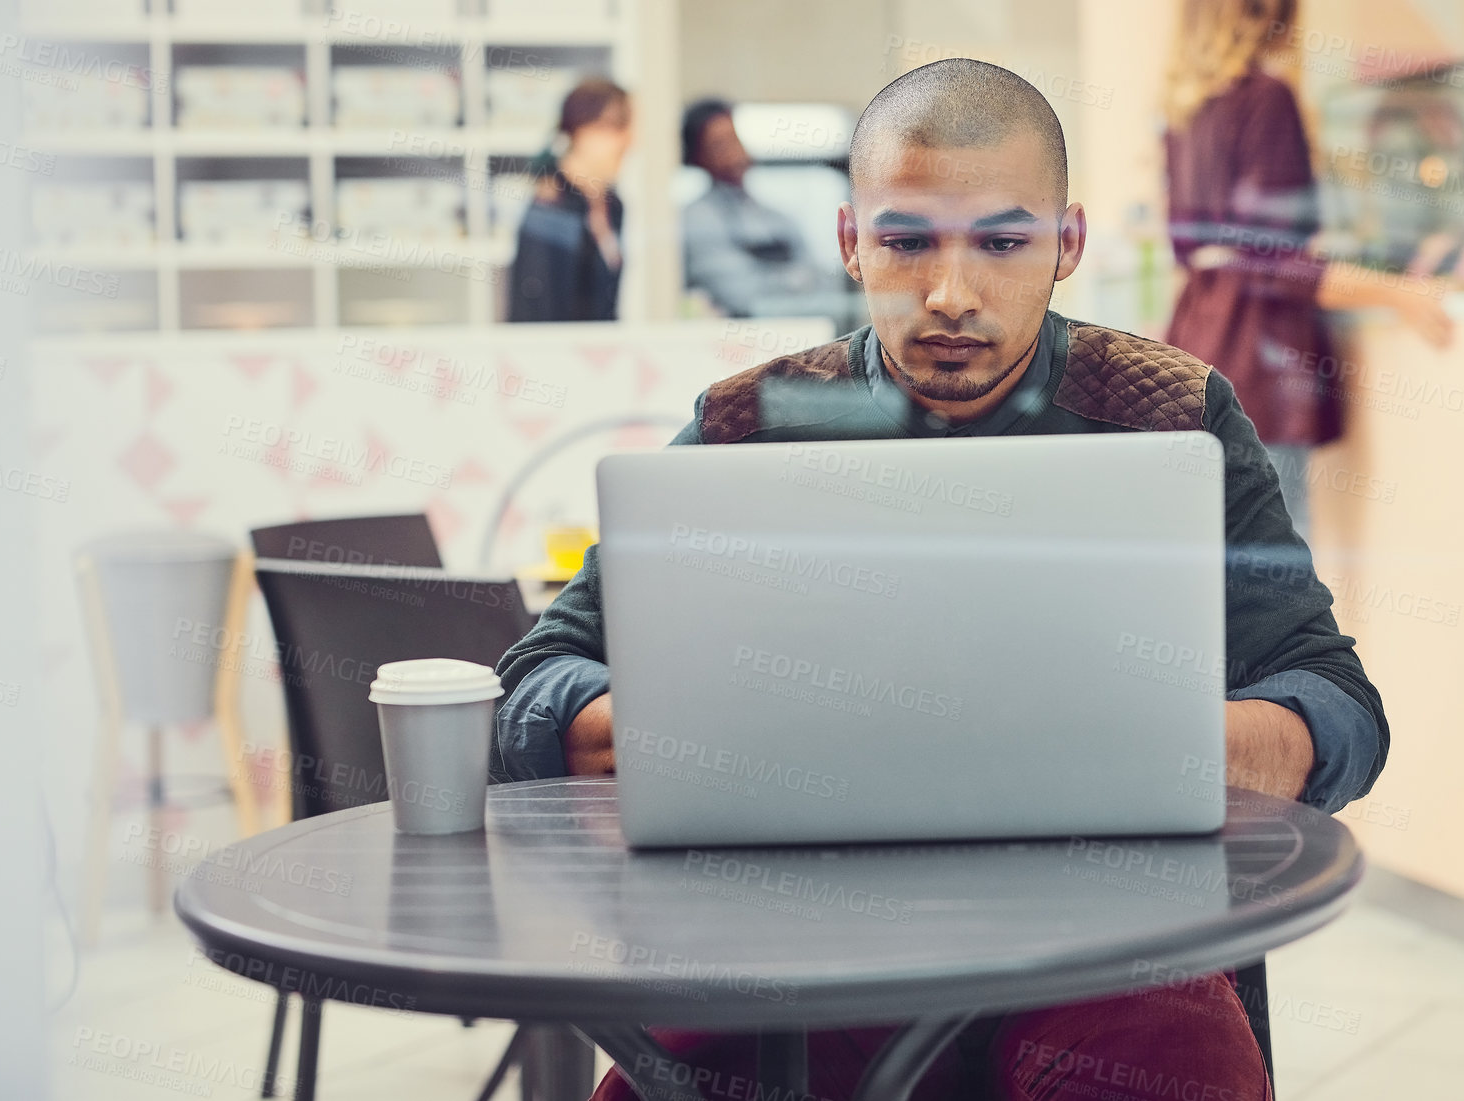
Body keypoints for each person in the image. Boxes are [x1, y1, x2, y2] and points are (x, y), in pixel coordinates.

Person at [494, 58, 1389, 1101]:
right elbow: (533, 681)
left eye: (1003, 242)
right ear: (849, 242)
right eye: (905, 241)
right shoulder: (753, 422)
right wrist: (661, 727)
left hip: (1109, 942)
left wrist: (1182, 746)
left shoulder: (1174, 413)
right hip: (799, 943)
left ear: (1067, 244)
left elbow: (1341, 709)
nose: (949, 294)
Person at [1162, 0, 1453, 539]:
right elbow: (1273, 262)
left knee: (1217, 561)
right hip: (1259, 361)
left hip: (1196, 347)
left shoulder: (1185, 111)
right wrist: (1396, 292)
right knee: (1276, 572)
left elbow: (1188, 248)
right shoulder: (1266, 97)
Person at [679, 98, 828, 317]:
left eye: (734, 138)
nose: (733, 153)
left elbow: (823, 285)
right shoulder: (695, 220)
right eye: (718, 145)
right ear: (696, 157)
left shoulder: (776, 217)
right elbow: (741, 296)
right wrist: (795, 280)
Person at [506, 78, 632, 322]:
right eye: (617, 125)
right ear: (579, 129)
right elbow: (537, 313)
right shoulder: (551, 207)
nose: (628, 141)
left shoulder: (613, 205)